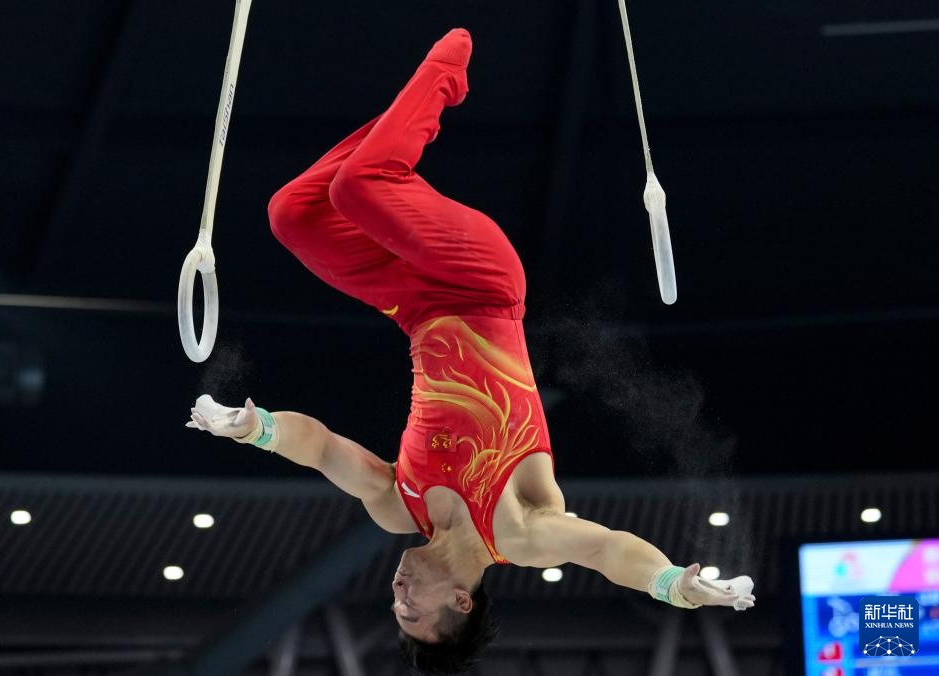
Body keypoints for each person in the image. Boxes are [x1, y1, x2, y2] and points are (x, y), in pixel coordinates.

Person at [187, 28, 755, 675]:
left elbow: (319, 448)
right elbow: (605, 550)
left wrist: (252, 428)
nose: (397, 595)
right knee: (360, 187)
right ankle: (448, 73)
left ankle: (391, 130)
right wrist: (673, 584)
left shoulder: (398, 505)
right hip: (484, 285)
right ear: (461, 602)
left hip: (412, 306)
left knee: (294, 213)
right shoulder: (518, 533)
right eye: (411, 611)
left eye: (395, 608)